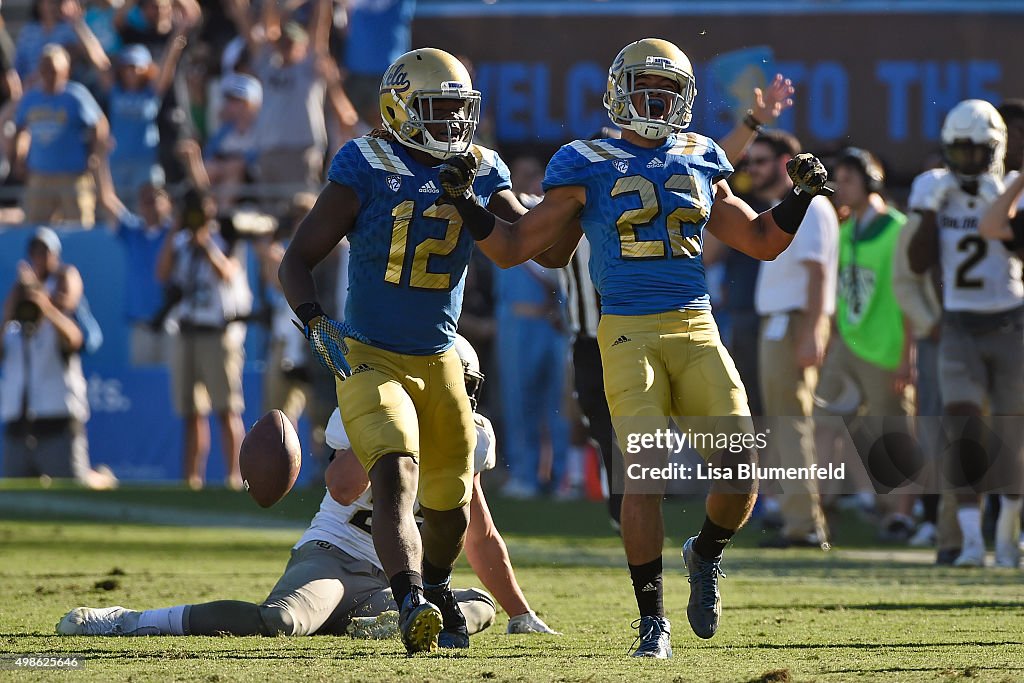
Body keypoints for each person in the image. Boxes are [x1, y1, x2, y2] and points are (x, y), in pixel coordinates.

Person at [433, 38, 833, 657]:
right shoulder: (585, 159)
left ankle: (704, 552)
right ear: (620, 91)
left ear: (686, 99)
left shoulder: (701, 154)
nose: (656, 100)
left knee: (740, 472)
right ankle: (653, 622)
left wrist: (800, 196)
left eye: (668, 90)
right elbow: (517, 249)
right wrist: (465, 203)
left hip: (697, 326)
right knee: (642, 477)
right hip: (624, 331)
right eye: (645, 87)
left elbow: (759, 240)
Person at [277, 48, 538, 653]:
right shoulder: (365, 163)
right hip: (371, 353)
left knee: (449, 506)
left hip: (442, 358)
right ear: (398, 108)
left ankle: (437, 588)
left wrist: (479, 200)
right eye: (437, 109)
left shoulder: (479, 166)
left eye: (458, 109)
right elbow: (297, 260)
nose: (451, 122)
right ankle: (409, 598)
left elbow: (524, 246)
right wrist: (317, 324)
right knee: (395, 474)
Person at [56, 335, 559, 639]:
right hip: (334, 557)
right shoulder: (372, 407)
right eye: (452, 387)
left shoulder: (477, 435)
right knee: (280, 622)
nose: (460, 399)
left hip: (393, 584)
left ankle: (382, 624)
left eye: (465, 388)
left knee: (476, 606)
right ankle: (127, 620)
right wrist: (396, 437)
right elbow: (342, 488)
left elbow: (479, 532)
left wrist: (523, 614)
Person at [908, 99, 1023, 569]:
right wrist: (932, 213)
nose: (967, 161)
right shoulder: (935, 187)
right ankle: (974, 541)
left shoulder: (1010, 189)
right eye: (959, 151)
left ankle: (1009, 533)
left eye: (976, 152)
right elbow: (916, 262)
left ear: (994, 150)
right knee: (964, 431)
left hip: (1011, 322)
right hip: (958, 323)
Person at [813, 147, 915, 540]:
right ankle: (820, 512)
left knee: (894, 431)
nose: (840, 187)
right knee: (823, 422)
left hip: (887, 346)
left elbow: (908, 296)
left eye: (849, 179)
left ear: (871, 180)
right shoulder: (844, 229)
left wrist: (909, 353)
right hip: (847, 343)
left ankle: (902, 514)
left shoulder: (898, 228)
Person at [748, 130, 838, 549]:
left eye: (763, 160)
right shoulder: (785, 208)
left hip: (795, 323)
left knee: (792, 424)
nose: (753, 168)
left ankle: (804, 525)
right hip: (781, 323)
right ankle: (790, 517)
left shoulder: (814, 206)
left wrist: (812, 331)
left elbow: (819, 273)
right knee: (783, 423)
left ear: (788, 161)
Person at [1, 228, 116, 489]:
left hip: (58, 420)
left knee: (75, 486)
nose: (40, 257)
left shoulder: (62, 299)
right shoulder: (14, 328)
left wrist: (46, 306)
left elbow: (78, 338)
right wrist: (13, 305)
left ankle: (101, 480)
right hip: (19, 423)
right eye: (35, 251)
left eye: (45, 251)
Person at [155, 186, 250, 490]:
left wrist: (206, 243)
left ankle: (235, 477)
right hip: (186, 331)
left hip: (216, 333)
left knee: (226, 408)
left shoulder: (226, 236)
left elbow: (227, 273)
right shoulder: (181, 243)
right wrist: (175, 230)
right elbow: (162, 273)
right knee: (191, 412)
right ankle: (191, 478)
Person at [11, 44, 107, 227]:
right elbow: (21, 129)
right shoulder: (31, 98)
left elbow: (99, 125)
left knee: (79, 227)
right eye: (44, 69)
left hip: (72, 176)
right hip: (40, 175)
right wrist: (19, 157)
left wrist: (94, 155)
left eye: (53, 69)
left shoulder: (76, 95)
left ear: (65, 71)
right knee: (33, 227)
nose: (48, 74)